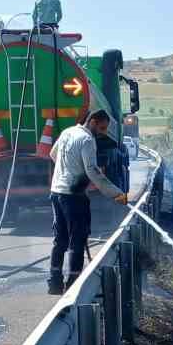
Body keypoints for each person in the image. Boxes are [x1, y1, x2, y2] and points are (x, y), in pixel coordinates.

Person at [48, 109, 130, 294]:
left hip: (56, 192)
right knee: (77, 239)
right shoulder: (87, 140)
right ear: (92, 121)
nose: (102, 132)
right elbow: (92, 170)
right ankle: (73, 284)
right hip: (73, 196)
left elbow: (53, 155)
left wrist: (68, 170)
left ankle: (54, 283)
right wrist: (116, 193)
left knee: (59, 239)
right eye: (101, 128)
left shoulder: (67, 132)